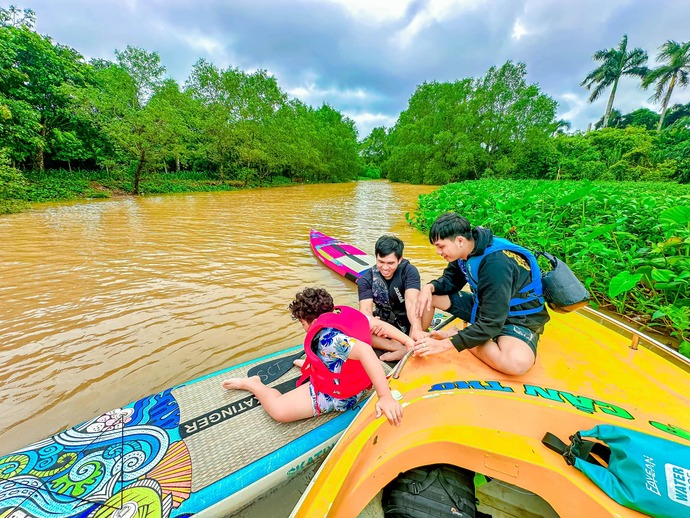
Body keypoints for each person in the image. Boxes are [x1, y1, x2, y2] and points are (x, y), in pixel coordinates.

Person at [222, 287, 410, 425]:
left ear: (307, 320)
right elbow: (381, 327)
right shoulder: (345, 314)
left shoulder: (328, 339)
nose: (304, 328)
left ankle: (253, 384)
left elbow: (365, 351)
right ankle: (311, 366)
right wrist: (409, 342)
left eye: (302, 323)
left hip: (338, 395)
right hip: (358, 384)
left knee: (279, 410)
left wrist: (384, 396)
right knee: (325, 358)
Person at [414, 212, 550, 376]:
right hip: (484, 305)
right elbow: (451, 281)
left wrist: (447, 344)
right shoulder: (465, 252)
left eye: (441, 246)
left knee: (517, 364)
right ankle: (417, 341)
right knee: (430, 297)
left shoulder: (496, 264)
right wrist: (429, 287)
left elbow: (492, 322)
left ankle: (459, 334)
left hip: (516, 316)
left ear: (460, 241)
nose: (438, 251)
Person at [358, 235, 429, 361]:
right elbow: (365, 312)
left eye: (390, 263)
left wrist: (417, 328)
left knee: (426, 303)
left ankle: (407, 344)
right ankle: (396, 346)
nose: (385, 268)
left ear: (400, 259)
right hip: (385, 326)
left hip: (409, 320)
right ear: (376, 257)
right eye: (381, 262)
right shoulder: (366, 280)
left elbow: (412, 302)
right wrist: (374, 324)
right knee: (358, 328)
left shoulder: (409, 271)